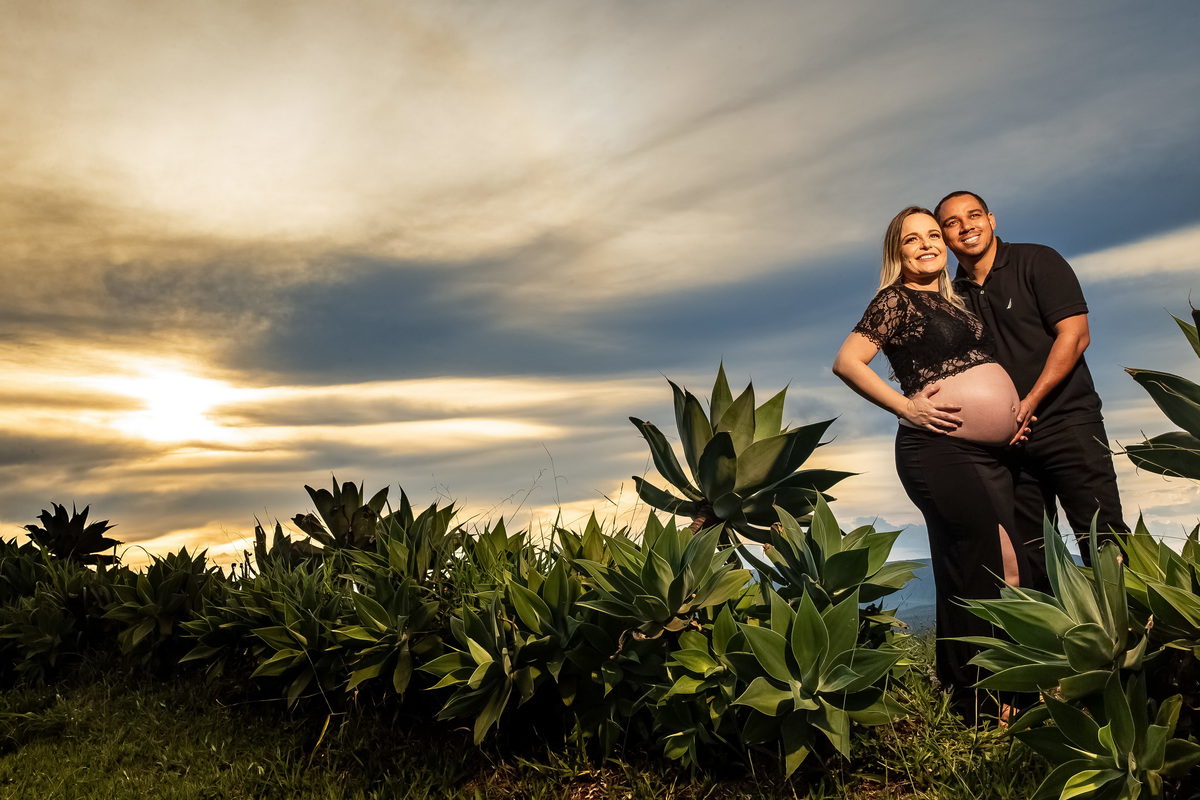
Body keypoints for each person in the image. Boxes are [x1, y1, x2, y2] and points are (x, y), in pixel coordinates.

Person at [833, 205, 1028, 720]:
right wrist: (906, 405)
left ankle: (987, 695)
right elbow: (848, 361)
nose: (926, 245)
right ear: (896, 253)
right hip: (938, 449)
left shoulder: (958, 302)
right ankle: (982, 701)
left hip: (988, 453)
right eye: (911, 239)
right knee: (991, 565)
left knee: (975, 566)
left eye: (933, 236)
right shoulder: (893, 301)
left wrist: (1011, 416)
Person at [934, 191, 1127, 583]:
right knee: (1032, 555)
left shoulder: (1038, 260)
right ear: (944, 236)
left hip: (1069, 424)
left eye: (973, 216)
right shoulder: (951, 298)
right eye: (952, 222)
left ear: (991, 219)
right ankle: (1059, 642)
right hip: (1008, 446)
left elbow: (1075, 336)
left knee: (1104, 540)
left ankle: (1144, 635)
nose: (966, 226)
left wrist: (1029, 401)